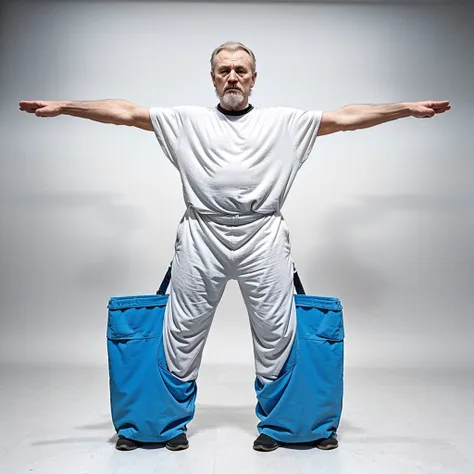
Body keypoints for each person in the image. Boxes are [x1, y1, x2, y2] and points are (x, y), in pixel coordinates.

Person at [20, 41, 451, 453]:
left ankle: (283, 426)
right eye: (224, 70)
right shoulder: (186, 120)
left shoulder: (284, 122)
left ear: (253, 78)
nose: (232, 77)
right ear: (212, 78)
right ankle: (163, 425)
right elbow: (125, 112)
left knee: (277, 332)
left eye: (240, 70)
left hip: (262, 235)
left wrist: (404, 110)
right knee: (181, 333)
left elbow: (346, 115)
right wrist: (65, 106)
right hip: (201, 234)